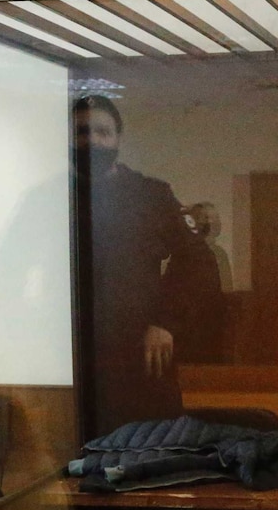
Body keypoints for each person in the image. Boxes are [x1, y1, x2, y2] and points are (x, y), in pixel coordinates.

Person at [72, 95, 222, 437]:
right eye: (82, 131)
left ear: (118, 139)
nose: (93, 140)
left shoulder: (149, 195)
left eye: (103, 131)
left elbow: (197, 260)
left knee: (151, 454)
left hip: (140, 355)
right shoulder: (53, 197)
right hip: (76, 361)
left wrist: (166, 322)